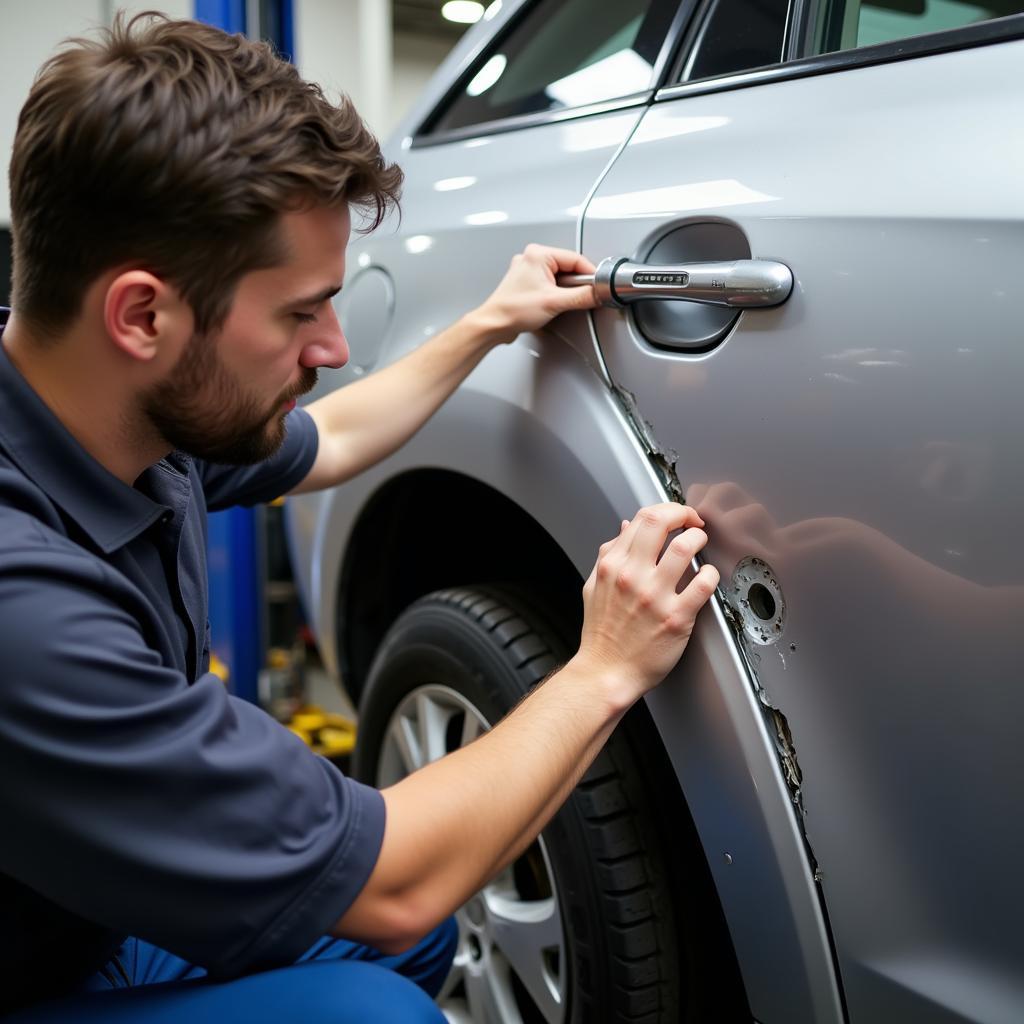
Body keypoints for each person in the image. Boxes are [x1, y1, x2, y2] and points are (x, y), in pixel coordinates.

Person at [0, 13, 719, 1023]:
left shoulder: (97, 407)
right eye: (300, 312)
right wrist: (604, 666)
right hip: (27, 971)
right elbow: (395, 883)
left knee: (398, 927)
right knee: (373, 1004)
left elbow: (326, 441)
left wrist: (485, 324)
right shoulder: (21, 604)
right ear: (142, 316)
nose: (334, 346)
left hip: (66, 910)